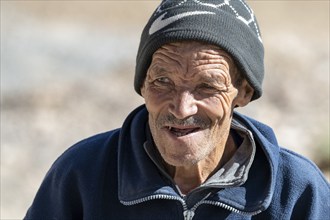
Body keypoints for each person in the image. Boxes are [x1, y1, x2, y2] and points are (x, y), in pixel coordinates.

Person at [25, 0, 329, 219]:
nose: (182, 108)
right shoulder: (83, 174)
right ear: (142, 85)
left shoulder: (297, 192)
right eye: (163, 81)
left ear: (244, 91)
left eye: (207, 86)